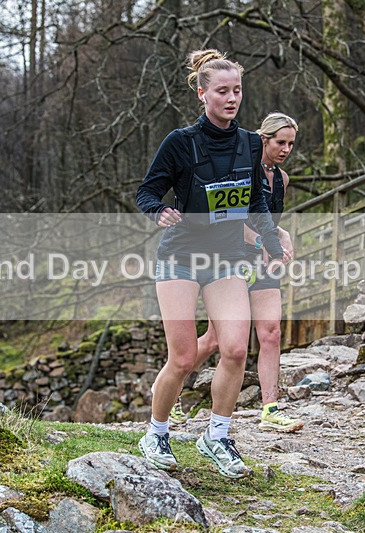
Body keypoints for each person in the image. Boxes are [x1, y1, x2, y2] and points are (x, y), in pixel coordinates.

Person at [136, 49, 290, 478]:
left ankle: (217, 437)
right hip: (181, 256)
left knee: (236, 347)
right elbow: (147, 191)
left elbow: (256, 201)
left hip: (225, 258)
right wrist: (158, 211)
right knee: (184, 357)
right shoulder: (180, 142)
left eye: (237, 90)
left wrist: (272, 242)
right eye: (222, 91)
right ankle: (156, 432)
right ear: (203, 94)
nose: (231, 98)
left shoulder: (249, 144)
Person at [168, 112, 303, 433]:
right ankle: (169, 388)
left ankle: (271, 409)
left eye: (291, 144)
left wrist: (282, 237)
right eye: (280, 142)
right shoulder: (239, 170)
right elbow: (227, 218)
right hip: (229, 258)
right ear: (263, 139)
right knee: (216, 339)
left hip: (263, 261)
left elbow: (270, 220)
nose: (286, 149)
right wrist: (261, 240)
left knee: (271, 332)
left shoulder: (281, 180)